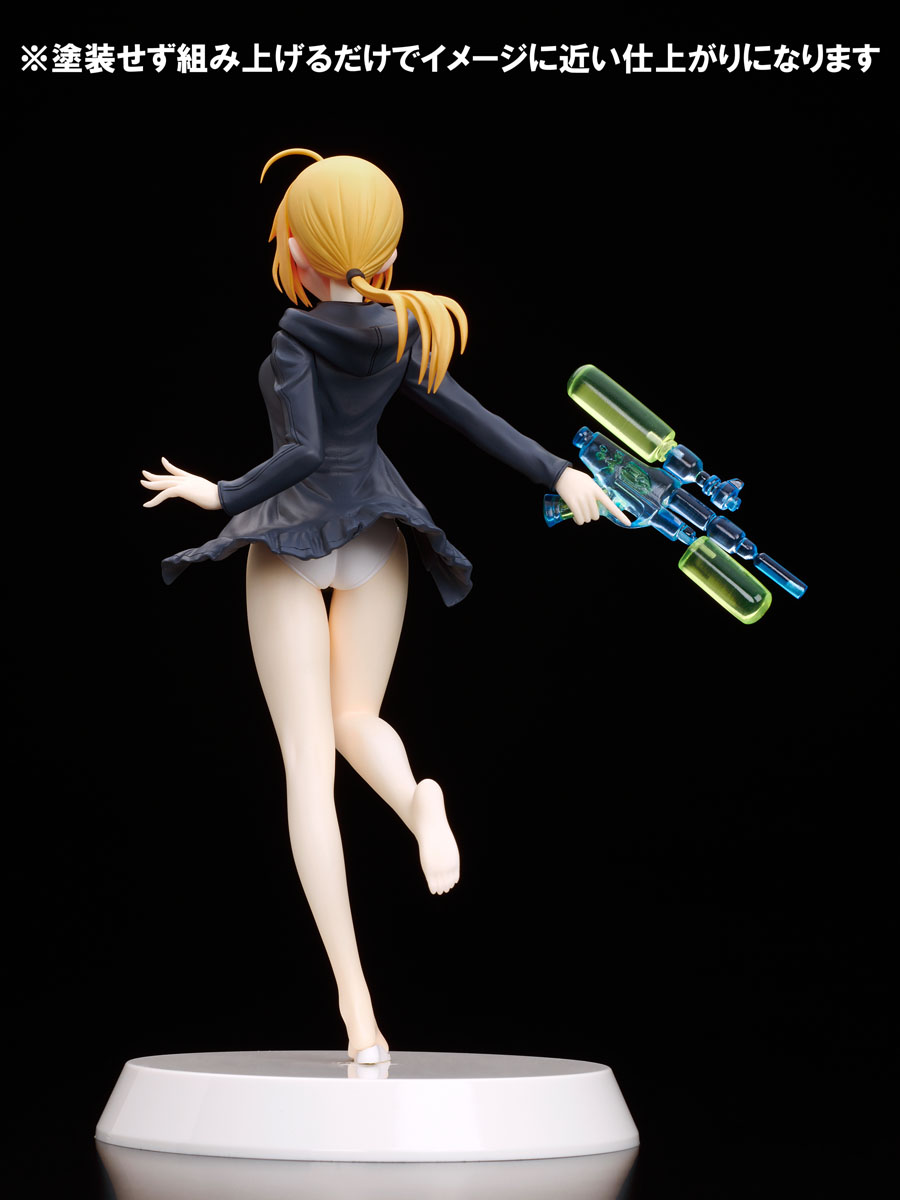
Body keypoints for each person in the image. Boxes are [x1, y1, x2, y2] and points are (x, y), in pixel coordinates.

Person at [141, 148, 628, 1065]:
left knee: (308, 770)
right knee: (357, 718)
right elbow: (476, 420)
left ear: (296, 248)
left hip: (292, 537)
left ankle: (359, 1015)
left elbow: (299, 455)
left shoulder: (294, 339)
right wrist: (561, 472)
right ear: (388, 253)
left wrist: (219, 494)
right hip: (377, 532)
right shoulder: (404, 330)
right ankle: (415, 801)